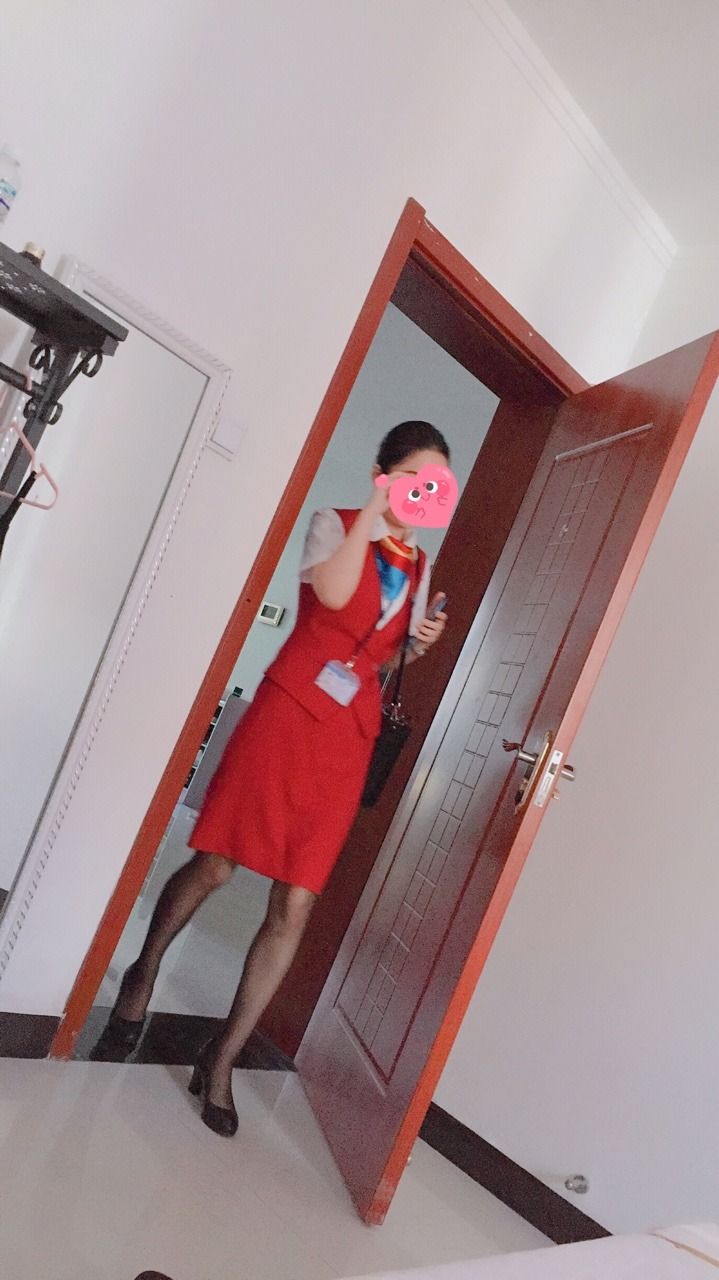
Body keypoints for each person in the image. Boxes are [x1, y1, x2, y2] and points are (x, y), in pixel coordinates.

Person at [94, 420, 449, 1137]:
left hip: (347, 739)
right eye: (413, 477)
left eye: (436, 482)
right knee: (217, 862)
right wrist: (374, 513)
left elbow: (376, 658)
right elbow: (334, 595)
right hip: (286, 715)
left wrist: (412, 644)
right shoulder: (335, 524)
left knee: (296, 901)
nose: (424, 492)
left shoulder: (420, 567)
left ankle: (220, 1057)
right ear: (383, 475)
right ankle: (142, 972)